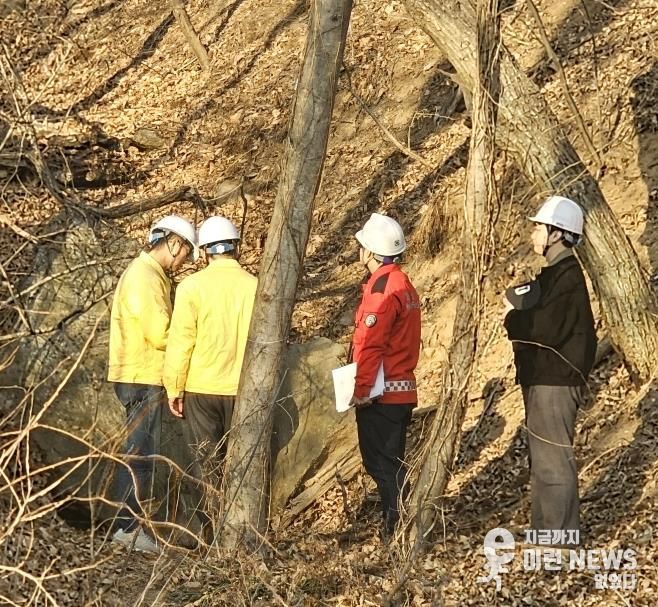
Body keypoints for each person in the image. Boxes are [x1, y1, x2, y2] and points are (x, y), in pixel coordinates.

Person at [502, 195, 597, 545]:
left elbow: (544, 328)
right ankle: (545, 535)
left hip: (555, 380)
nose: (533, 234)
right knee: (543, 461)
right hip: (545, 377)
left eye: (539, 227)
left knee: (553, 460)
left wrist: (512, 317)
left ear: (557, 234)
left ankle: (560, 540)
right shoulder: (557, 276)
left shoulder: (567, 277)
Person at [163, 216, 257, 537]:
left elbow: (181, 342)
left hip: (201, 389)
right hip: (244, 389)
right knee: (242, 463)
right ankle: (243, 532)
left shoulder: (191, 287)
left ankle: (212, 534)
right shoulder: (255, 286)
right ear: (236, 247)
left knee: (206, 466)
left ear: (203, 251)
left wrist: (174, 388)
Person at [108, 214, 197, 553]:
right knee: (139, 455)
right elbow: (161, 333)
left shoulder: (149, 274)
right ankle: (127, 529)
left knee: (140, 453)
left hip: (139, 373)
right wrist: (194, 337)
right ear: (174, 243)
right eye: (185, 252)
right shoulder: (145, 277)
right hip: (141, 375)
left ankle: (129, 526)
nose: (184, 260)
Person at [350, 212, 422, 539]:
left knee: (381, 464)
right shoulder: (404, 284)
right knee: (392, 464)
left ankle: (397, 530)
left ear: (370, 251)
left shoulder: (381, 290)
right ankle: (398, 527)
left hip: (382, 393)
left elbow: (370, 343)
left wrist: (362, 388)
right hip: (401, 389)